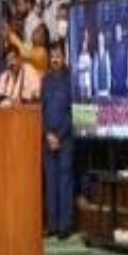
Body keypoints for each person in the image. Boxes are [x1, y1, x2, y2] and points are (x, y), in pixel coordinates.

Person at [42, 40, 75, 240]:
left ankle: (65, 226)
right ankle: (53, 225)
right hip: (47, 138)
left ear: (64, 57)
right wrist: (47, 133)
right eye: (52, 56)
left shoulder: (70, 79)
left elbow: (73, 112)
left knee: (64, 182)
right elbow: (42, 111)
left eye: (58, 56)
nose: (55, 59)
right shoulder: (45, 80)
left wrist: (59, 136)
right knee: (51, 182)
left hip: (65, 139)